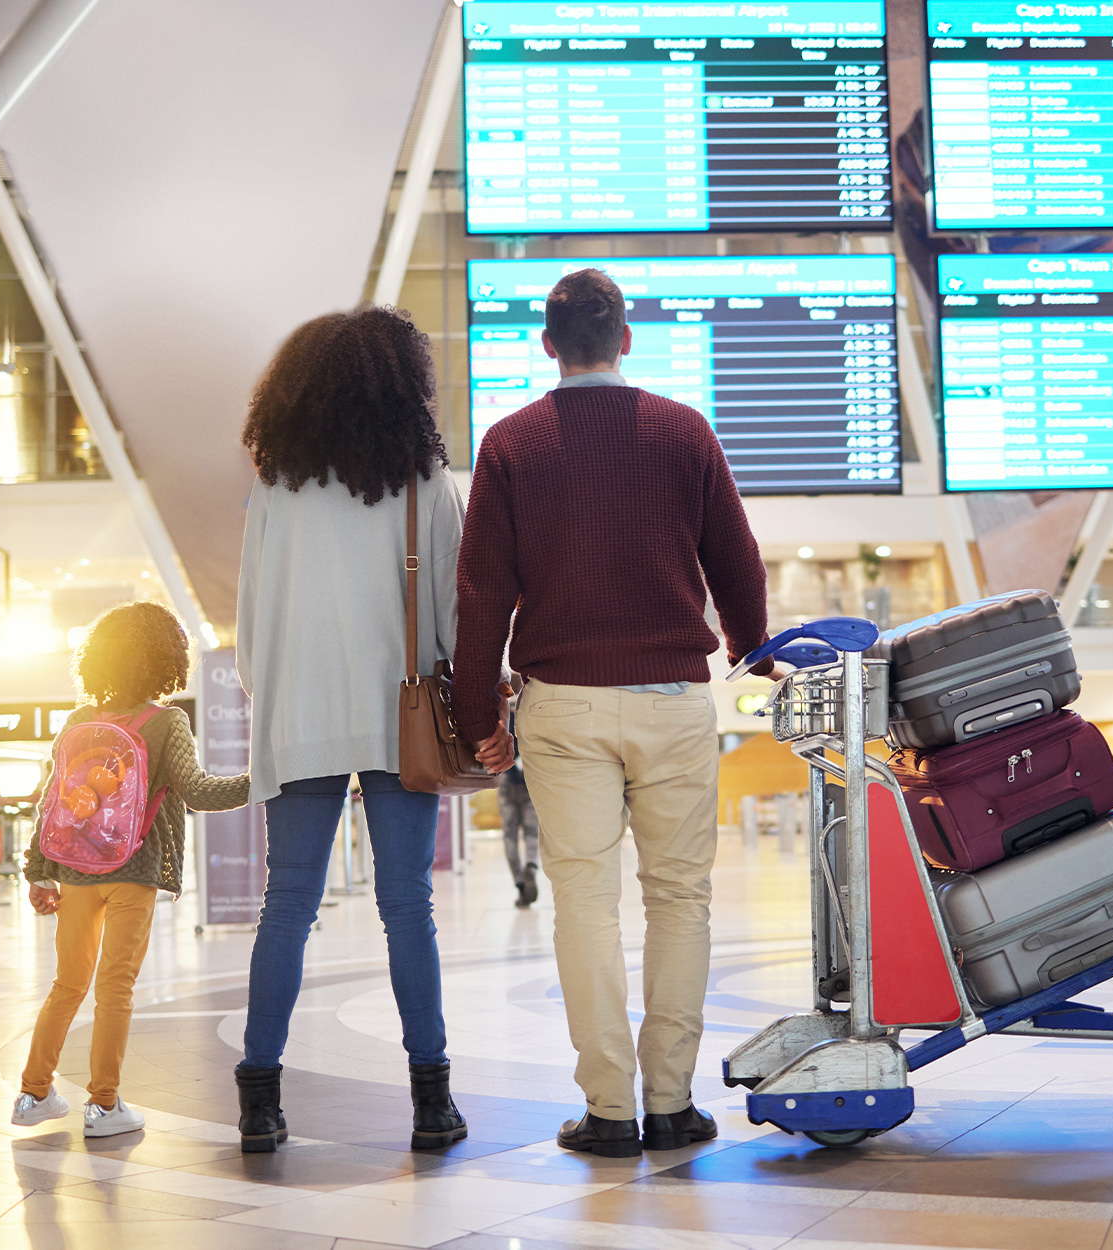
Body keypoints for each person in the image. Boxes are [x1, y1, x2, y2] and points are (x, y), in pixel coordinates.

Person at [452, 268, 773, 1158]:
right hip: (673, 701)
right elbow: (735, 563)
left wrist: (479, 710)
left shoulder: (511, 444)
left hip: (562, 708)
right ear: (625, 338)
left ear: (548, 346)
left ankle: (607, 1112)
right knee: (680, 899)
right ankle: (671, 1103)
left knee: (584, 904)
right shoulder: (683, 431)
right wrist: (751, 649)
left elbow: (481, 592)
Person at [234, 304, 491, 1154]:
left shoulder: (274, 488)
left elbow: (250, 626)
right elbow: (457, 615)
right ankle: (430, 1102)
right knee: (406, 906)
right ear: (402, 386)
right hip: (400, 719)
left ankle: (261, 1103)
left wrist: (275, 702)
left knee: (287, 903)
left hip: (299, 718)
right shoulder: (422, 480)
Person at [14, 601, 250, 1138]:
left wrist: (37, 871)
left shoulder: (78, 721)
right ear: (166, 659)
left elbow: (55, 802)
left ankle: (33, 1094)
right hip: (133, 870)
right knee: (114, 989)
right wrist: (262, 779)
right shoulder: (167, 721)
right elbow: (199, 792)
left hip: (75, 872)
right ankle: (102, 1105)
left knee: (66, 985)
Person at [497, 715, 539, 907]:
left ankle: (520, 884)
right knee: (532, 832)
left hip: (506, 782)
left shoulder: (501, 713)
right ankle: (531, 866)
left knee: (510, 836)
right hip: (530, 781)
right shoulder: (531, 710)